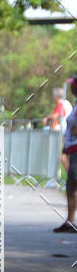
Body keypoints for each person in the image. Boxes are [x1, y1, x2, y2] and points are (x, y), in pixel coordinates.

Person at [53, 78, 77, 233]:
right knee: (70, 185)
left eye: (72, 85)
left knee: (72, 184)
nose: (70, 87)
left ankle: (71, 221)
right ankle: (70, 221)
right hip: (71, 148)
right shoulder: (75, 105)